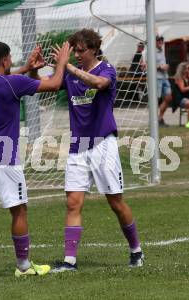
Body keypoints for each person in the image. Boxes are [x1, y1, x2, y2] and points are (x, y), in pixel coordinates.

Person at [30, 28, 144, 272]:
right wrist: (34, 68)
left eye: (81, 51)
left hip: (103, 143)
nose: (78, 55)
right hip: (78, 145)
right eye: (75, 52)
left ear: (94, 49)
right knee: (73, 203)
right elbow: (42, 85)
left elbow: (99, 83)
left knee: (115, 202)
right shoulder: (70, 75)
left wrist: (67, 66)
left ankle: (136, 250)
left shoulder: (106, 69)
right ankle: (70, 261)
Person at [0, 41, 72, 283]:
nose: (11, 61)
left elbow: (3, 82)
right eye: (10, 57)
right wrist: (62, 62)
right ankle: (23, 266)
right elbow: (54, 84)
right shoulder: (13, 83)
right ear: (4, 60)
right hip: (3, 158)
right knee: (19, 209)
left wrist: (27, 67)